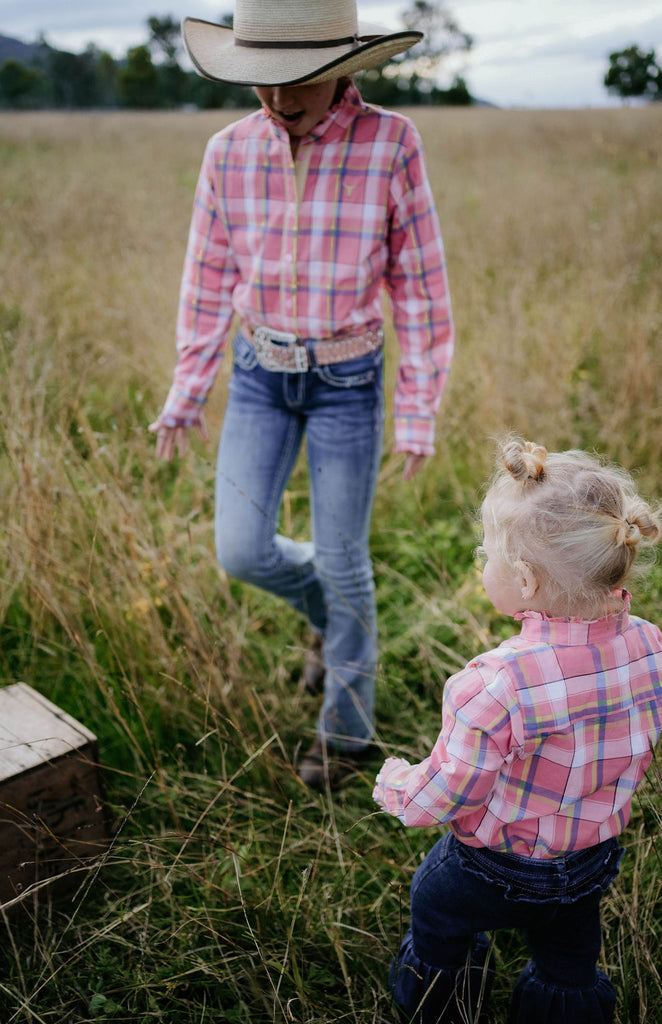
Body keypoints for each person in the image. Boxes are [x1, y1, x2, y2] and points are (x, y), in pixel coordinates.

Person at [149, 1, 455, 790]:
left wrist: (417, 410)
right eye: (263, 84)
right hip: (259, 375)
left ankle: (346, 737)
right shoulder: (227, 152)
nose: (280, 101)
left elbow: (418, 288)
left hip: (348, 382)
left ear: (343, 71)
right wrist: (187, 390)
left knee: (346, 560)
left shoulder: (391, 143)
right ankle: (332, 618)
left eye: (300, 83)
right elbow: (208, 280)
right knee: (240, 550)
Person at [373, 439, 662, 1023]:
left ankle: (445, 1003)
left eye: (484, 554)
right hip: (592, 857)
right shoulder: (652, 646)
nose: (480, 563)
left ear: (524, 579)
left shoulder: (495, 684)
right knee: (570, 955)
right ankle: (563, 1008)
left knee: (436, 909)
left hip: (496, 865)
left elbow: (450, 791)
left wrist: (396, 786)